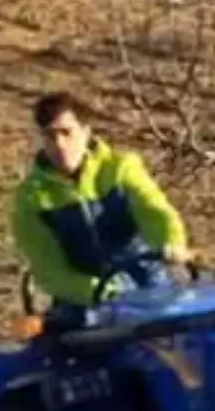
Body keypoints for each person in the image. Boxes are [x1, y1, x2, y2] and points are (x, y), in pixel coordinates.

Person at [10, 92, 191, 322]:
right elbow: (49, 270)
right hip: (83, 307)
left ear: (86, 133)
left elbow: (155, 213)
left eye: (67, 133)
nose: (60, 145)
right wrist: (100, 292)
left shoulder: (120, 169)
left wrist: (172, 242)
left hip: (147, 289)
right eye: (50, 136)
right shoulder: (30, 199)